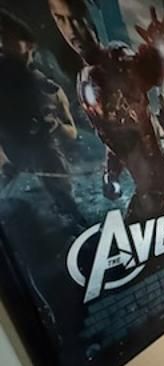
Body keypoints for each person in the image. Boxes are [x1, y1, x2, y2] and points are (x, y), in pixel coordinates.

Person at [48, 0, 164, 220]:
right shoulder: (86, 78)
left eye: (76, 19)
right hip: (147, 191)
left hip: (161, 188)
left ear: (90, 17)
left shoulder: (117, 59)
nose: (71, 30)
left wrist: (158, 52)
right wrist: (112, 172)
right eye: (60, 19)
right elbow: (118, 138)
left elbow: (147, 72)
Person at [0, 9, 83, 223]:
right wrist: (5, 163)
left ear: (29, 45)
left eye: (6, 37)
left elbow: (71, 132)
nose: (2, 43)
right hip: (14, 176)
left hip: (47, 165)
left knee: (67, 212)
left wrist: (55, 125)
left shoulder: (50, 89)